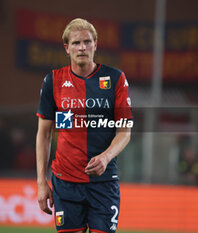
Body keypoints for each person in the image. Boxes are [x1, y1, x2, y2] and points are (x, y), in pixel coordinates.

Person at [36, 18, 132, 233]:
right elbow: (43, 135)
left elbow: (125, 132)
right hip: (65, 182)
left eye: (87, 42)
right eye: (76, 43)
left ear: (95, 45)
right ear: (66, 48)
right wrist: (42, 182)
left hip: (103, 182)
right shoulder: (53, 81)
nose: (82, 47)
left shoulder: (115, 78)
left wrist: (105, 157)